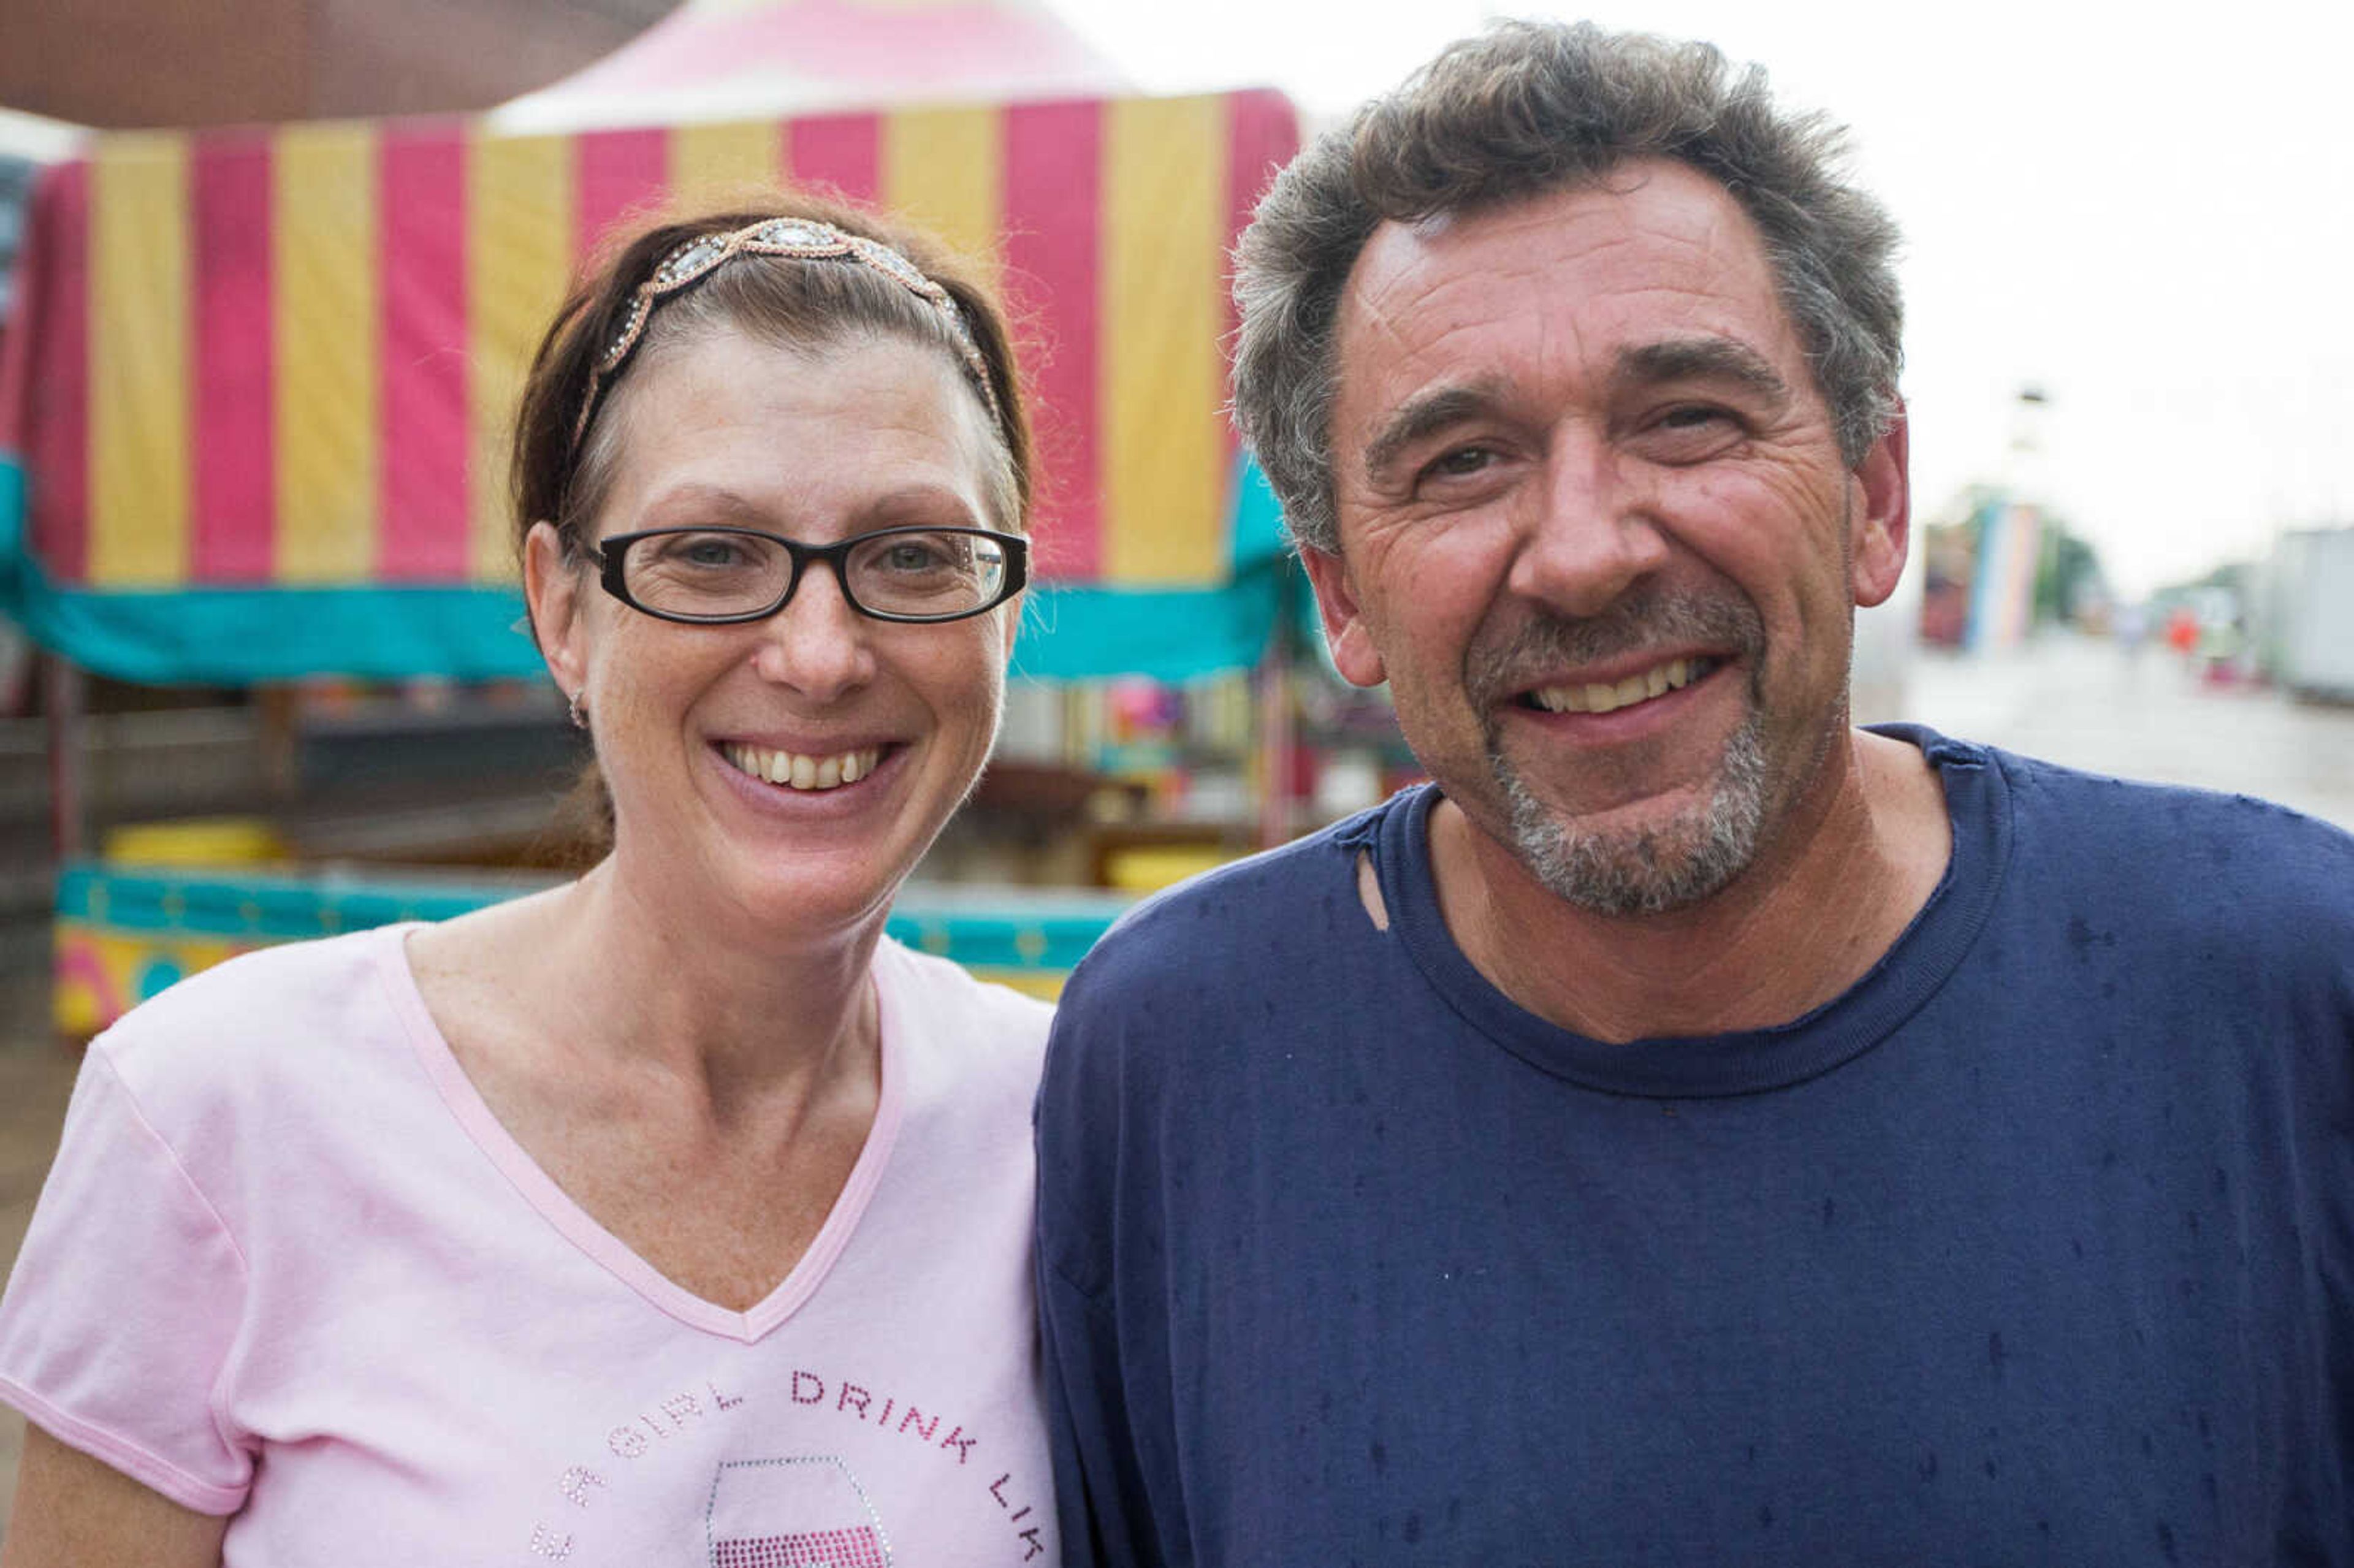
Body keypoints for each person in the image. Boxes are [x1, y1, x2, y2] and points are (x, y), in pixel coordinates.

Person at [1035, 21, 2353, 1565]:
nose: (1587, 549)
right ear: (1341, 596)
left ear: (1873, 495)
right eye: (1461, 460)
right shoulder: (1177, 1052)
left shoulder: (2280, 986)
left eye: (1686, 417)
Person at [0, 198, 1059, 1565]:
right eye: (711, 554)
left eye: (914, 554)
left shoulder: (1074, 1123)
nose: (819, 653)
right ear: (563, 610)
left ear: (1009, 606)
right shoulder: (224, 1110)